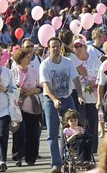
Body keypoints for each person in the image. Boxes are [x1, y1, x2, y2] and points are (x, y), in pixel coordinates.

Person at [39, 37, 85, 173]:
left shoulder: (68, 62)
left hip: (67, 98)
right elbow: (46, 85)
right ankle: (56, 164)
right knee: (52, 133)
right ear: (48, 49)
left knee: (73, 129)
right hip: (50, 100)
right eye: (52, 46)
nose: (55, 49)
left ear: (61, 47)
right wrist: (53, 99)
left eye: (57, 46)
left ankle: (69, 159)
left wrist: (80, 94)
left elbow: (76, 79)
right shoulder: (45, 65)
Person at [11, 48, 43, 167]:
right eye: (26, 57)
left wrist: (34, 90)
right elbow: (9, 88)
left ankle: (31, 157)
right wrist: (17, 90)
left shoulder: (34, 71)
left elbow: (41, 87)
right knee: (18, 132)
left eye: (29, 56)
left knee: (32, 132)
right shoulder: (13, 72)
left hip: (32, 106)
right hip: (18, 106)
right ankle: (17, 156)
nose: (29, 58)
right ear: (20, 59)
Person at [73, 38, 102, 153]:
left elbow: (102, 77)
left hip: (92, 97)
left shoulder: (94, 60)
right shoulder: (72, 61)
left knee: (92, 123)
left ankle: (93, 148)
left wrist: (94, 82)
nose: (79, 48)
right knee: (79, 123)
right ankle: (80, 148)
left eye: (81, 46)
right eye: (76, 46)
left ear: (85, 47)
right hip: (78, 96)